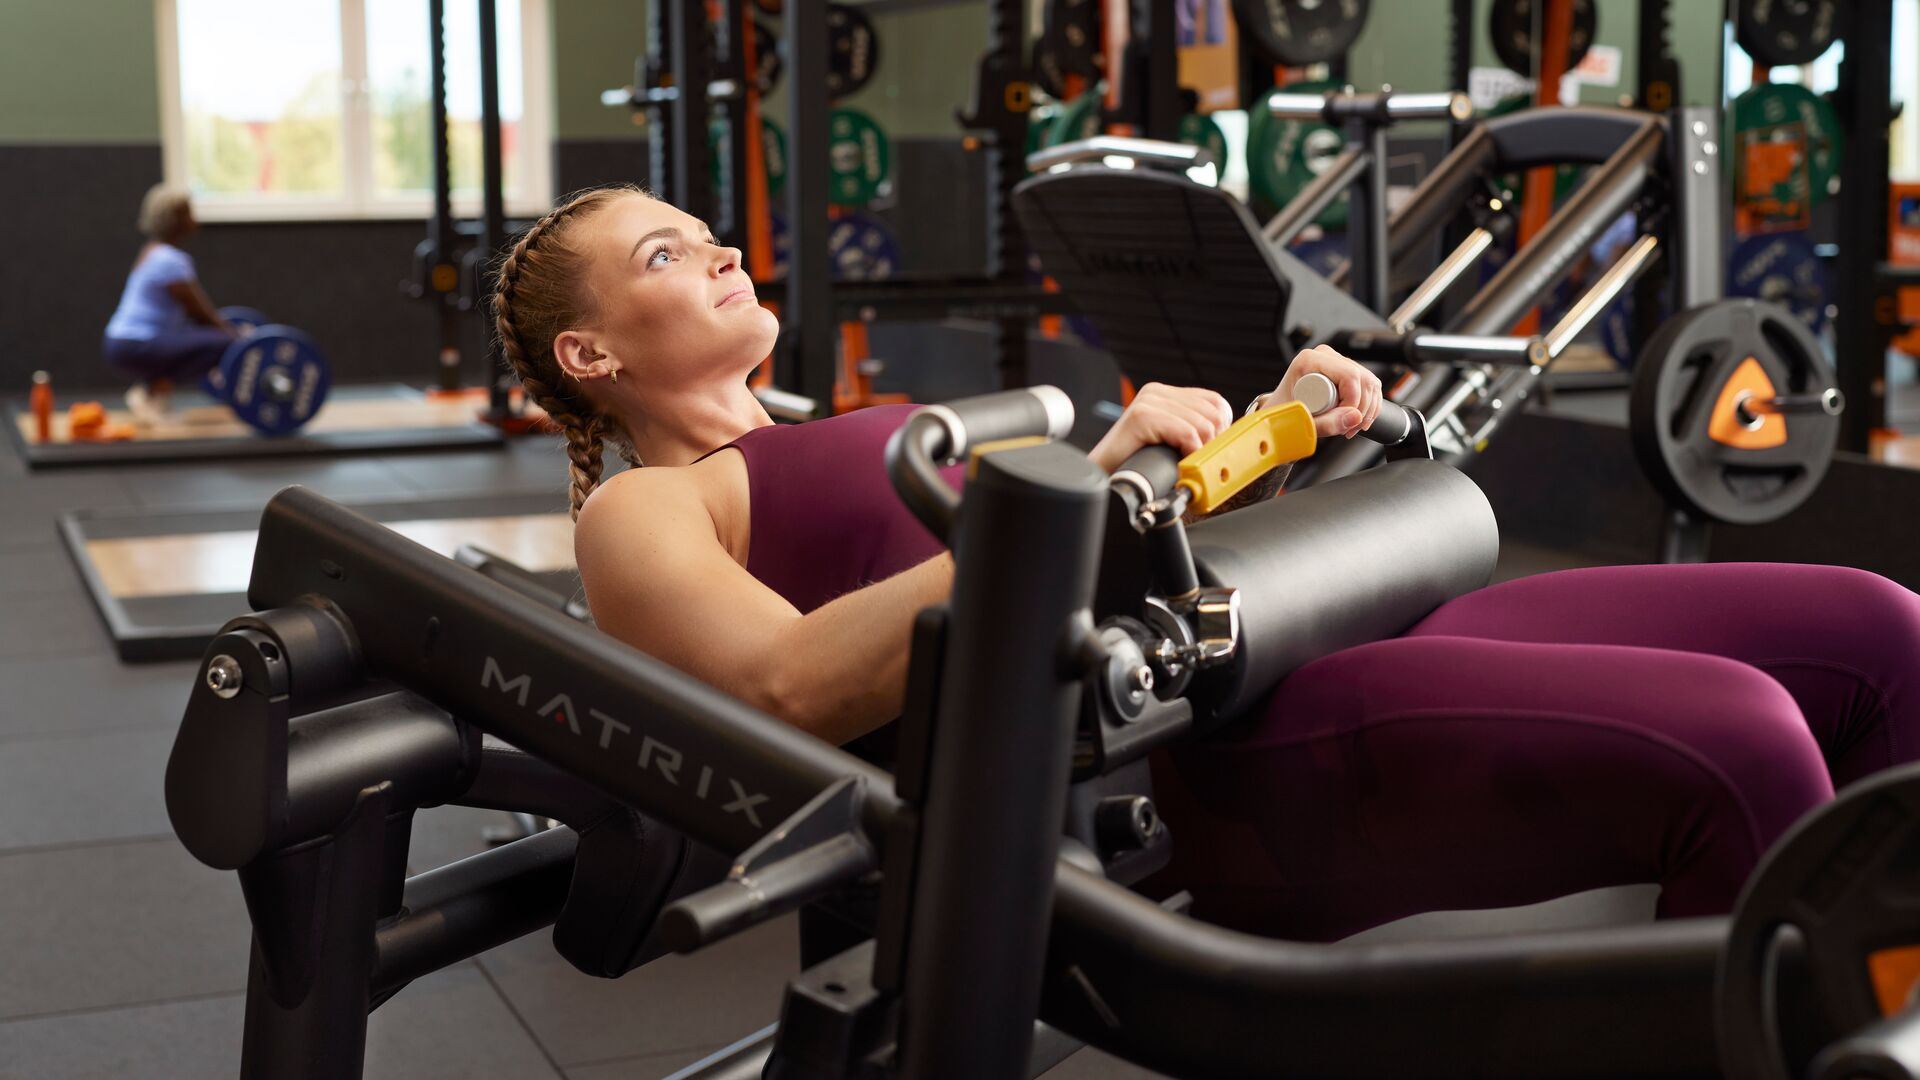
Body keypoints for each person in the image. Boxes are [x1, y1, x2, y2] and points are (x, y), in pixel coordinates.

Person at [493, 184, 1920, 942]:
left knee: (1881, 630)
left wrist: (1281, 430)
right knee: (1744, 741)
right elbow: (787, 686)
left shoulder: (882, 431)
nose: (726, 252)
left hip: (1303, 615)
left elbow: (1127, 543)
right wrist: (1083, 490)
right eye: (673, 253)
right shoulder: (648, 509)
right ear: (592, 353)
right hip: (1215, 743)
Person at [102, 185, 241, 423]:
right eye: (188, 213)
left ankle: (151, 392)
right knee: (223, 343)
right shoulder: (171, 261)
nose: (194, 219)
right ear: (176, 220)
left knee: (199, 340)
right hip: (135, 344)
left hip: (120, 341)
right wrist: (237, 339)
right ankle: (150, 394)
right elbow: (200, 313)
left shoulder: (151, 251)